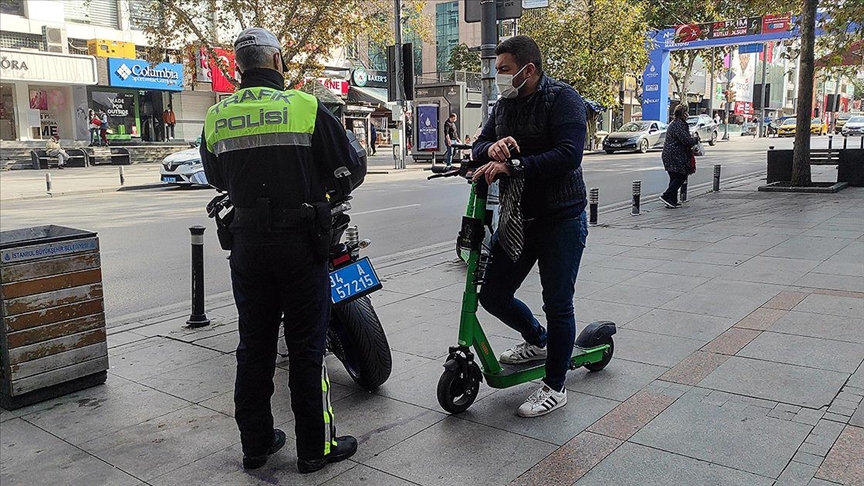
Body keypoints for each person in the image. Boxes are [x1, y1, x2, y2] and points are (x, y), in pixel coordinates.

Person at [201, 27, 361, 474]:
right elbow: (349, 167)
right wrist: (317, 188)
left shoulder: (216, 115)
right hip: (300, 243)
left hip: (247, 244)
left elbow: (216, 177)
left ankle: (256, 445)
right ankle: (315, 448)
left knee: (254, 345)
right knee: (307, 346)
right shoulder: (304, 106)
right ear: (276, 61)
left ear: (238, 66)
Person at [471, 35, 589, 418]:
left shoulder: (564, 99)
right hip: (519, 219)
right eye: (498, 70)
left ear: (529, 69)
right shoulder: (504, 105)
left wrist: (515, 165)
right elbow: (478, 146)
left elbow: (569, 155)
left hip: (562, 218)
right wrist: (491, 149)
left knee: (558, 304)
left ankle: (555, 386)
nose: (499, 77)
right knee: (493, 294)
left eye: (504, 69)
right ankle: (537, 341)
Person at [660, 104, 699, 208]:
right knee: (681, 176)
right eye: (686, 112)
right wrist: (695, 140)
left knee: (674, 177)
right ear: (683, 113)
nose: (687, 114)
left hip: (669, 154)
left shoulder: (674, 123)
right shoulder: (679, 124)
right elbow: (686, 140)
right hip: (675, 155)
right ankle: (666, 196)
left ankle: (671, 201)